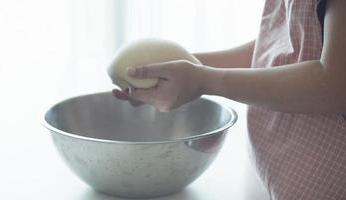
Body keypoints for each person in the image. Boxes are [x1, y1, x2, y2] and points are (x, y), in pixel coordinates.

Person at [112, 0, 346, 199]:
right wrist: (184, 69)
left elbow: (335, 85)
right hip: (282, 177)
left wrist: (203, 80)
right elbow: (283, 46)